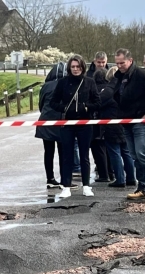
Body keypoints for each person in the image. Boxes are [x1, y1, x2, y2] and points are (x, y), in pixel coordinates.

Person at [113, 48, 145, 202]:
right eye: (117, 63)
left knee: (142, 153)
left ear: (130, 60)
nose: (120, 65)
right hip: (127, 121)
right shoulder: (120, 76)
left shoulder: (142, 75)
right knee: (135, 155)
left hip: (141, 121)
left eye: (122, 62)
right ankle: (143, 186)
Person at [50, 54, 101, 199]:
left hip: (85, 123)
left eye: (78, 66)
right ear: (69, 68)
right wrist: (65, 108)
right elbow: (53, 102)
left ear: (83, 67)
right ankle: (66, 186)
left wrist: (85, 107)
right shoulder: (62, 83)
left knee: (84, 155)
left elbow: (97, 103)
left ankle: (86, 185)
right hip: (67, 123)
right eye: (73, 67)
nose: (75, 69)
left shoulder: (89, 82)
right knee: (67, 155)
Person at [99, 66, 136, 188]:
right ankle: (131, 178)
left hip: (111, 125)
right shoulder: (125, 89)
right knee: (126, 152)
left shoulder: (109, 91)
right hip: (124, 123)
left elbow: (99, 103)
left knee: (114, 153)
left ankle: (120, 179)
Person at [35, 62, 66, 189]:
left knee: (48, 152)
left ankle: (50, 178)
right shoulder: (66, 85)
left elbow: (41, 105)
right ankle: (65, 179)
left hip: (45, 121)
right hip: (60, 121)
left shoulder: (46, 86)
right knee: (63, 152)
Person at [91, 68, 113, 183]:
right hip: (110, 123)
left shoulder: (94, 89)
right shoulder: (110, 89)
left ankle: (103, 174)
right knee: (109, 149)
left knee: (98, 149)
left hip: (96, 124)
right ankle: (111, 171)